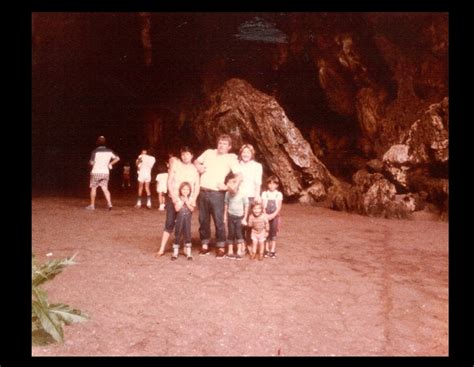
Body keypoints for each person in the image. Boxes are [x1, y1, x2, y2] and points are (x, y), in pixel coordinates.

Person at [194, 134, 242, 259]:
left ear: (229, 147)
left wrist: (227, 187)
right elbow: (196, 161)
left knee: (219, 221)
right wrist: (198, 166)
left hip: (217, 193)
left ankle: (221, 246)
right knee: (203, 219)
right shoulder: (209, 152)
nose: (221, 145)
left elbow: (239, 175)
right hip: (203, 190)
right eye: (220, 143)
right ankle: (205, 244)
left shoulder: (230, 158)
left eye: (225, 144)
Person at [155, 147, 200, 257]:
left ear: (192, 156)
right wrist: (175, 198)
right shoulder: (175, 165)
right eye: (183, 154)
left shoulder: (194, 169)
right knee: (169, 223)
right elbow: (169, 181)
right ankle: (161, 248)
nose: (185, 156)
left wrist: (193, 199)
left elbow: (197, 185)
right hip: (174, 198)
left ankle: (185, 248)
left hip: (187, 201)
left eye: (188, 154)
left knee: (185, 224)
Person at [238, 143, 263, 253]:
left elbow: (258, 182)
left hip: (251, 196)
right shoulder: (237, 165)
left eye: (248, 152)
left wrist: (257, 195)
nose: (245, 154)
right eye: (244, 152)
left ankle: (249, 242)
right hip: (238, 197)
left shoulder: (257, 166)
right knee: (239, 222)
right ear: (240, 153)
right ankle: (241, 242)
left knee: (249, 222)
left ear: (252, 154)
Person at [86, 135, 120, 210]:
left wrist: (90, 163)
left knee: (93, 188)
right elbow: (117, 158)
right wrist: (110, 164)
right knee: (105, 188)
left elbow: (91, 163)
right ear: (105, 142)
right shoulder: (110, 151)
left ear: (97, 142)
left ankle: (92, 205)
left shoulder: (95, 151)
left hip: (96, 172)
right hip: (105, 172)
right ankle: (109, 203)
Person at [223, 174, 249, 260]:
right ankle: (230, 250)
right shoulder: (227, 194)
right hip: (231, 216)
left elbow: (246, 205)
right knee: (231, 233)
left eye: (233, 191)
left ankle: (239, 250)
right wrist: (225, 216)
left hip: (239, 217)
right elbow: (226, 204)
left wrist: (245, 218)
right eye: (231, 191)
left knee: (239, 233)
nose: (232, 193)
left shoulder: (242, 194)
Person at [171, 182, 195, 261]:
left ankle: (188, 253)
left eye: (187, 189)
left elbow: (192, 209)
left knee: (187, 234)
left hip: (187, 220)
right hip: (179, 220)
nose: (185, 191)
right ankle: (175, 252)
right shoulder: (177, 198)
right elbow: (177, 209)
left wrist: (187, 202)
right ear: (180, 190)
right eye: (184, 189)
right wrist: (182, 202)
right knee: (177, 234)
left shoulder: (191, 199)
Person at [261, 175, 283, 258]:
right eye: (270, 184)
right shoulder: (264, 193)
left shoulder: (278, 194)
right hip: (266, 215)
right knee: (266, 232)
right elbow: (263, 206)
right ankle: (266, 250)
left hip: (275, 216)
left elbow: (279, 207)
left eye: (274, 184)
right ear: (267, 184)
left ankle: (272, 250)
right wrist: (265, 215)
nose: (272, 186)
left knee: (273, 233)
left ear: (277, 185)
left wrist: (273, 215)